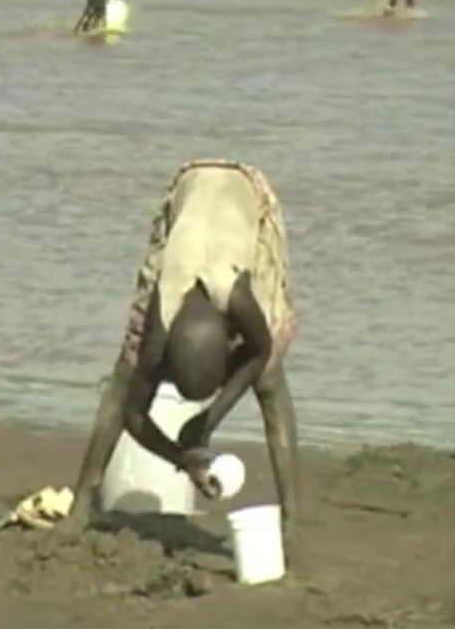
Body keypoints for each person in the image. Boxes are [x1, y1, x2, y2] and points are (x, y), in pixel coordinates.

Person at [63, 159, 302, 564]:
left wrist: (206, 422)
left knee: (268, 380)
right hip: (188, 194)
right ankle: (81, 504)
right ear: (166, 348)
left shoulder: (240, 298)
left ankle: (292, 518)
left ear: (230, 339)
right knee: (124, 377)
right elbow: (132, 410)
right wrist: (183, 458)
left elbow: (258, 351)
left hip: (246, 196)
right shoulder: (158, 323)